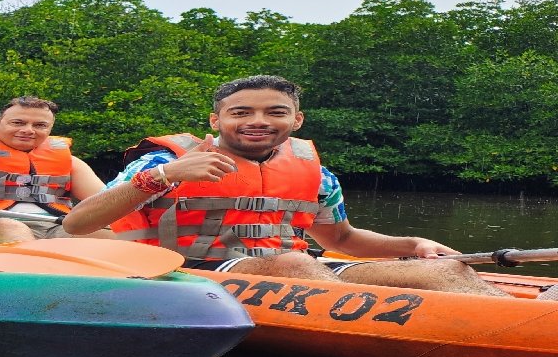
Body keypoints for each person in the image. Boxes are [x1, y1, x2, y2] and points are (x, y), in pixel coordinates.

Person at [62, 74, 535, 298]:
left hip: (298, 273)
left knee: (446, 272)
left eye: (275, 112)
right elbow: (78, 223)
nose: (258, 122)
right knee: (290, 259)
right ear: (217, 119)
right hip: (187, 272)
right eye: (241, 112)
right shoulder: (166, 160)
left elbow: (342, 240)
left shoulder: (316, 173)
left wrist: (410, 243)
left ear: (297, 119)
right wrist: (163, 178)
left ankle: (523, 328)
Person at [0, 96, 112, 243]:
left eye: (40, 125)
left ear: (50, 129)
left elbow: (105, 198)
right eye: (18, 123)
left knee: (109, 234)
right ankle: (30, 278)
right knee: (11, 229)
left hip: (55, 225)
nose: (28, 130)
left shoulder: (70, 161)